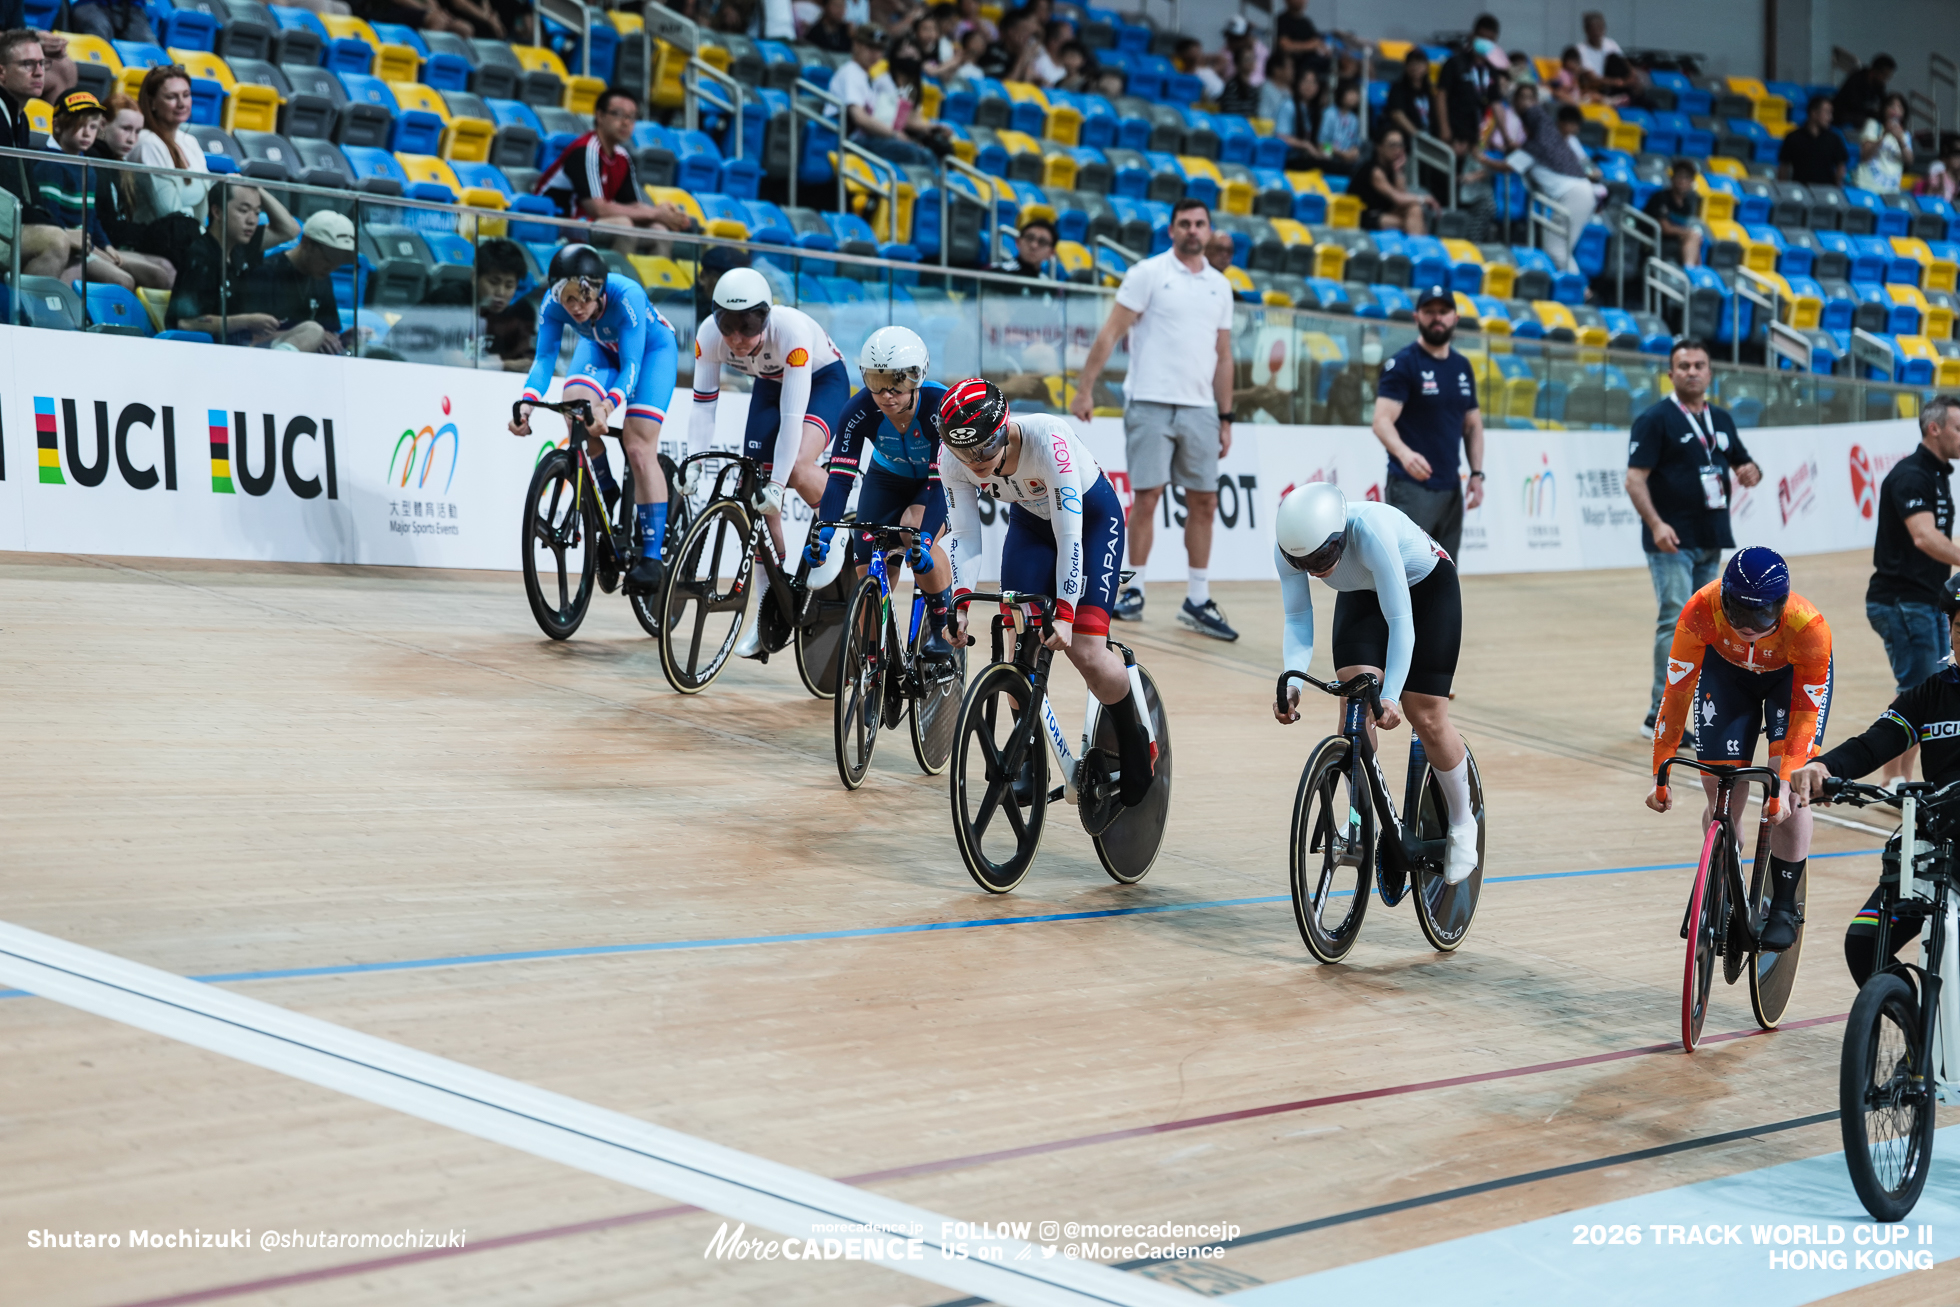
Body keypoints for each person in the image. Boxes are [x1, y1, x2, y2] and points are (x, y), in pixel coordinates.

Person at [939, 378, 1157, 804]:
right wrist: (959, 602)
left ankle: (1134, 739)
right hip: (1032, 524)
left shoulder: (1047, 439)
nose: (976, 462)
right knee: (1019, 646)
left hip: (1090, 523)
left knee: (1086, 651)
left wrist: (1066, 612)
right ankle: (1029, 757)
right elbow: (963, 535)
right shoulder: (952, 457)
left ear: (1004, 428)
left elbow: (1070, 536)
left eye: (985, 448)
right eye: (965, 452)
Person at [1271, 481, 1478, 883]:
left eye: (1323, 557)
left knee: (1425, 714)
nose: (1314, 569)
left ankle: (1461, 820)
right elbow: (1297, 619)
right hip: (1362, 589)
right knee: (1355, 697)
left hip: (1426, 589)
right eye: (1303, 563)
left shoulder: (1370, 531)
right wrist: (1292, 685)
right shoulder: (1291, 547)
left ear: (1339, 536)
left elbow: (1402, 623)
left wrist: (1393, 696)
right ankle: (1358, 814)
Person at [1646, 548, 1832, 953]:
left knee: (1790, 795)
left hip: (1789, 681)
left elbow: (1804, 720)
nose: (1748, 626)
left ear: (1781, 606)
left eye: (1761, 615)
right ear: (1723, 599)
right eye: (1738, 613)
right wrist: (1661, 772)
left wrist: (1783, 784)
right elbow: (1675, 696)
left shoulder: (1808, 627)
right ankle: (1721, 879)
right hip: (1727, 677)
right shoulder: (1700, 609)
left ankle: (1784, 905)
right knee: (1722, 794)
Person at [1071, 197, 1237, 641]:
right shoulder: (1148, 273)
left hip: (1202, 408)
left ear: (1208, 230)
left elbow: (1223, 355)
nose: (1192, 230)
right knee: (1147, 497)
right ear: (1171, 230)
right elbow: (1111, 332)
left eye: (1200, 224)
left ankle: (1197, 598)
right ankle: (1134, 590)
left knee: (1205, 501)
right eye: (1185, 223)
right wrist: (1085, 389)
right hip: (1149, 403)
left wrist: (1226, 416)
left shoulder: (1220, 286)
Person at [1792, 576, 1960, 984]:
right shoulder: (1929, 695)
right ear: (1950, 630)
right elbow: (1873, 744)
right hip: (1938, 848)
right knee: (1864, 943)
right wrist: (1824, 767)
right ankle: (1910, 1015)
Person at [687, 266, 851, 658]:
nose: (736, 339)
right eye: (728, 328)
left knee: (794, 467)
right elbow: (703, 406)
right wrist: (693, 462)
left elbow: (792, 419)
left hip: (822, 381)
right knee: (753, 487)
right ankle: (768, 607)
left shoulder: (790, 332)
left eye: (747, 328)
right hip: (770, 383)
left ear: (765, 317)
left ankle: (836, 529)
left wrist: (778, 485)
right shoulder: (708, 336)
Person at [509, 244, 679, 594]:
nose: (576, 307)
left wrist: (606, 407)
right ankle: (606, 489)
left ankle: (651, 558)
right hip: (601, 349)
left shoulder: (627, 295)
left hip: (650, 354)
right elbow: (544, 358)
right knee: (574, 408)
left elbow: (631, 366)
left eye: (583, 296)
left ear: (600, 288)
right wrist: (527, 402)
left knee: (637, 445)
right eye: (568, 298)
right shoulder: (553, 305)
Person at [1625, 339, 1763, 738]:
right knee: (1674, 620)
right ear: (1671, 374)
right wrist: (1656, 524)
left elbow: (1744, 463)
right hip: (1671, 541)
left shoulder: (1720, 418)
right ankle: (1659, 716)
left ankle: (1699, 712)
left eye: (1699, 365)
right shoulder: (1655, 419)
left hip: (1711, 536)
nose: (1692, 372)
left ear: (1710, 372)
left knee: (1706, 628)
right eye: (1683, 366)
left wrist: (1752, 472)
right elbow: (1634, 480)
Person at [807, 327, 955, 660]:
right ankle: (873, 661)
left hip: (936, 482)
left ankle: (941, 624)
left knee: (913, 531)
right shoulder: (857, 409)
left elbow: (938, 486)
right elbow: (840, 480)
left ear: (917, 377)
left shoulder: (939, 406)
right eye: (876, 381)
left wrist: (925, 540)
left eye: (897, 382)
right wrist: (825, 530)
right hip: (886, 479)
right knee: (866, 564)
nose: (886, 394)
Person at [1864, 394, 1960, 783]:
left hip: (1924, 600)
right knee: (1918, 690)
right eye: (1959, 428)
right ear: (1934, 429)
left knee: (1927, 689)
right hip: (1902, 602)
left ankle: (1900, 778)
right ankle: (1892, 780)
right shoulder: (1912, 475)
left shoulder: (1935, 474)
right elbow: (1924, 537)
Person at [1367, 286, 1483, 559]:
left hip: (1451, 488)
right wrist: (1405, 454)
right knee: (1407, 568)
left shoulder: (1462, 366)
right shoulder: (1403, 364)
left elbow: (1473, 425)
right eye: (1429, 312)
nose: (1437, 318)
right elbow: (1381, 421)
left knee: (1446, 572)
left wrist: (1476, 474)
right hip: (1411, 487)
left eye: (1443, 311)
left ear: (1455, 318)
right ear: (1417, 317)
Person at [536, 88, 694, 236]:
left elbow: (633, 205)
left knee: (658, 229)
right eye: (618, 114)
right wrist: (655, 213)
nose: (626, 122)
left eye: (631, 117)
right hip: (554, 223)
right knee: (622, 224)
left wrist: (665, 213)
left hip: (587, 225)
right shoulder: (585, 150)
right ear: (600, 116)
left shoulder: (622, 156)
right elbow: (598, 209)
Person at [167, 181, 299, 339]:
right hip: (205, 347)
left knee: (310, 330)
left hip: (241, 343)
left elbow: (290, 230)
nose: (252, 220)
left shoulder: (241, 247)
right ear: (217, 212)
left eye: (257, 213)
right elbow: (187, 323)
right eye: (244, 210)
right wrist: (247, 322)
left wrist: (256, 187)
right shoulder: (200, 255)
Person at [232, 208, 360, 352]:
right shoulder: (264, 273)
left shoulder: (322, 277)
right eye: (327, 258)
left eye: (339, 262)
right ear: (306, 242)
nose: (332, 267)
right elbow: (247, 338)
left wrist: (341, 339)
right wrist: (308, 336)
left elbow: (327, 332)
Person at [829, 25, 937, 165]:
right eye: (870, 48)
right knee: (913, 154)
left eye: (879, 49)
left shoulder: (866, 76)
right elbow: (859, 118)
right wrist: (894, 134)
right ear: (856, 45)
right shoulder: (851, 72)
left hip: (870, 138)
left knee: (926, 153)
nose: (875, 54)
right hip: (851, 140)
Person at [424, 236, 534, 371]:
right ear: (474, 277)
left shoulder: (519, 312)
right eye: (494, 282)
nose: (501, 292)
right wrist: (504, 365)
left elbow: (525, 358)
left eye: (509, 285)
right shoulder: (451, 301)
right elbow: (452, 362)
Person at [1521, 100, 1598, 271]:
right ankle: (1578, 283)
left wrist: (1481, 158)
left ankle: (1577, 284)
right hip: (1577, 194)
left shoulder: (1553, 141)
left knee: (1556, 250)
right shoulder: (1544, 141)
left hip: (1575, 195)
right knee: (1560, 250)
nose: (1575, 130)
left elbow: (1508, 166)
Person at [132, 65, 211, 227]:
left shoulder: (189, 141)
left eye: (186, 95)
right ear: (152, 103)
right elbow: (168, 212)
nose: (182, 104)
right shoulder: (148, 142)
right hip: (155, 237)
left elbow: (205, 203)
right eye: (171, 97)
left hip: (189, 233)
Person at [1349, 129, 1434, 234]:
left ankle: (1418, 242)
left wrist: (1399, 171)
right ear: (1379, 147)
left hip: (1384, 213)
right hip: (1362, 217)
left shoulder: (1393, 169)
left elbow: (1402, 199)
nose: (1398, 150)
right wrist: (1424, 199)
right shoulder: (1374, 171)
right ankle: (1418, 243)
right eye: (1393, 145)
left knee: (1415, 209)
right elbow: (1397, 198)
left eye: (1400, 145)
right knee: (1410, 223)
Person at [1438, 16, 1500, 158]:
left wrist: (1505, 137)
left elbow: (1495, 104)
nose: (1485, 42)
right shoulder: (1454, 63)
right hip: (1454, 128)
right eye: (1482, 37)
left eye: (1490, 39)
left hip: (1476, 132)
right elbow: (1441, 96)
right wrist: (1444, 129)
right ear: (1473, 36)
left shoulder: (1492, 70)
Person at [1643, 158, 1703, 268]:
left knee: (1695, 238)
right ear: (1672, 178)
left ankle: (1693, 271)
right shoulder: (1660, 197)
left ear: (1691, 182)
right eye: (1679, 176)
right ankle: (1689, 270)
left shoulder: (1688, 204)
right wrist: (1688, 232)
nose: (1682, 181)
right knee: (1692, 235)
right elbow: (1665, 228)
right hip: (1654, 241)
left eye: (1687, 177)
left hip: (1674, 242)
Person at [1777, 94, 1848, 187]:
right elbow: (1784, 166)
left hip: (1826, 190)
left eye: (1831, 113)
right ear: (1814, 113)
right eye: (1827, 113)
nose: (1830, 118)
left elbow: (1840, 166)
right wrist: (1784, 189)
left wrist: (1836, 188)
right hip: (1800, 190)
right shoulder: (1793, 137)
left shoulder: (1834, 139)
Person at [1855, 92, 1911, 196]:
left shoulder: (1905, 135)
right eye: (1891, 106)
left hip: (1891, 190)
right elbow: (1865, 155)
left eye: (1899, 107)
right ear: (1884, 109)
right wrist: (1884, 135)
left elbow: (1909, 161)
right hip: (1867, 186)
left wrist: (1900, 141)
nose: (1895, 110)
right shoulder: (1873, 126)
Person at [1834, 53, 1894, 133]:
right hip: (1844, 113)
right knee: (1867, 122)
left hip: (1862, 114)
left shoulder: (1878, 84)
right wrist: (1873, 112)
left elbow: (1884, 101)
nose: (1885, 80)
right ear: (1875, 71)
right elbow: (1854, 105)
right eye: (1885, 76)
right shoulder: (1856, 79)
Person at [1383, 48, 1434, 142]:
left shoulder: (1430, 91)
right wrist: (1418, 136)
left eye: (1419, 63)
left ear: (1426, 67)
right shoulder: (1398, 88)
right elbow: (1397, 114)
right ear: (1405, 67)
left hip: (1432, 139)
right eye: (1411, 63)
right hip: (1410, 140)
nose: (1415, 67)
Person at [1317, 80, 1363, 173]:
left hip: (1347, 161)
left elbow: (1356, 143)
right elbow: (1322, 144)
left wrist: (1355, 151)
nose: (1353, 96)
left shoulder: (1354, 119)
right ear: (1341, 94)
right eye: (1350, 93)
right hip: (1329, 159)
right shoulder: (1329, 113)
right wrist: (1342, 154)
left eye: (1356, 94)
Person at [1273, 0, 1328, 77]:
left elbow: (1319, 44)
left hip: (1311, 69)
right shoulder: (1282, 20)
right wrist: (1310, 46)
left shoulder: (1306, 23)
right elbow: (1285, 46)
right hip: (1293, 69)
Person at [1576, 11, 1621, 79]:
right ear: (1586, 30)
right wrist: (1618, 82)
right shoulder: (1580, 50)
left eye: (1600, 27)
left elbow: (1624, 64)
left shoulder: (1611, 44)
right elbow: (1592, 77)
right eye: (1594, 28)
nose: (1597, 32)